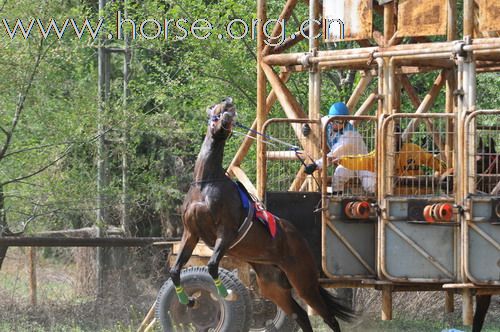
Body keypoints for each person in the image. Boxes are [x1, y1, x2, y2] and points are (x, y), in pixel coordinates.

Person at [304, 102, 375, 194]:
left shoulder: (349, 135)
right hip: (347, 162)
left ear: (346, 121)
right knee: (338, 176)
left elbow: (332, 155)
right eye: (333, 120)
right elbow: (316, 120)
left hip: (362, 163)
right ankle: (337, 202)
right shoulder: (328, 121)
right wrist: (306, 126)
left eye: (339, 121)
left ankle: (372, 204)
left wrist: (316, 165)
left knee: (370, 184)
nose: (335, 124)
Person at [334, 125, 446, 176]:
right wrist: (342, 160)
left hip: (418, 192)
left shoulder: (413, 149)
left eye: (396, 135)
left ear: (400, 136)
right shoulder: (381, 153)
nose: (394, 138)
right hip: (394, 192)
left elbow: (431, 160)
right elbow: (363, 160)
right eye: (391, 136)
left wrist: (445, 170)